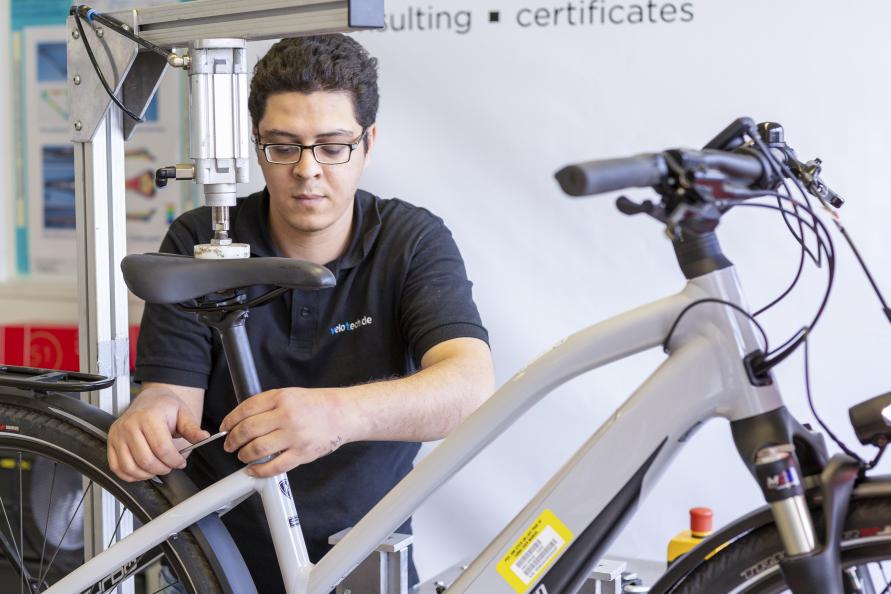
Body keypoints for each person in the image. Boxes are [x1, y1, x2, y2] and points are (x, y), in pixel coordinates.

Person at [107, 34, 494, 592]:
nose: (307, 170)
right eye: (283, 146)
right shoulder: (202, 238)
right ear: (255, 143)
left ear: (367, 143)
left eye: (332, 146)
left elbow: (469, 388)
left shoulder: (411, 241)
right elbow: (172, 394)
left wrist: (337, 416)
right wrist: (150, 420)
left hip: (363, 562)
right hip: (212, 566)